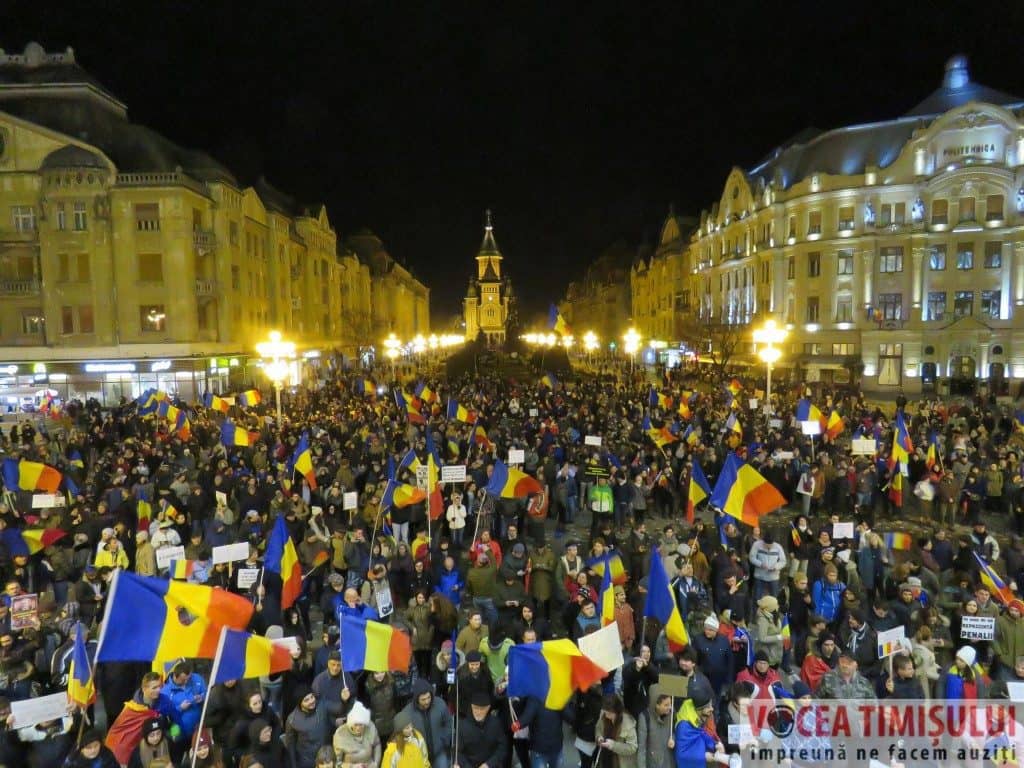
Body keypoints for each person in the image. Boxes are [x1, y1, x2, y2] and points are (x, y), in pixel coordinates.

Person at [398, 679, 454, 768]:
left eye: (429, 697)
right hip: (419, 756)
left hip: (439, 752)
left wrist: (444, 740)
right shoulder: (407, 712)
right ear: (416, 699)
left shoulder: (440, 704)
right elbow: (401, 734)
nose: (427, 701)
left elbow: (449, 723)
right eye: (423, 699)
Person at [455, 691, 507, 768]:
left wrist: (489, 764)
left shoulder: (495, 723)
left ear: (488, 708)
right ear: (471, 706)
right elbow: (458, 753)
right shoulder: (462, 726)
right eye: (475, 708)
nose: (478, 712)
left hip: (491, 765)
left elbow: (502, 747)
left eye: (482, 709)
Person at [285, 688, 329, 768]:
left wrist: (344, 700)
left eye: (312, 697)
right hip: (307, 762)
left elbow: (337, 709)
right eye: (306, 700)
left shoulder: (321, 706)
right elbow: (290, 745)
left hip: (325, 758)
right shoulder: (292, 720)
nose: (311, 701)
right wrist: (294, 766)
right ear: (300, 703)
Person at [333, 701, 382, 768]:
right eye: (355, 725)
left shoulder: (370, 727)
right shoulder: (340, 734)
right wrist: (352, 766)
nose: (358, 728)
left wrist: (376, 763)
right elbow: (337, 763)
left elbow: (377, 744)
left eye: (361, 725)